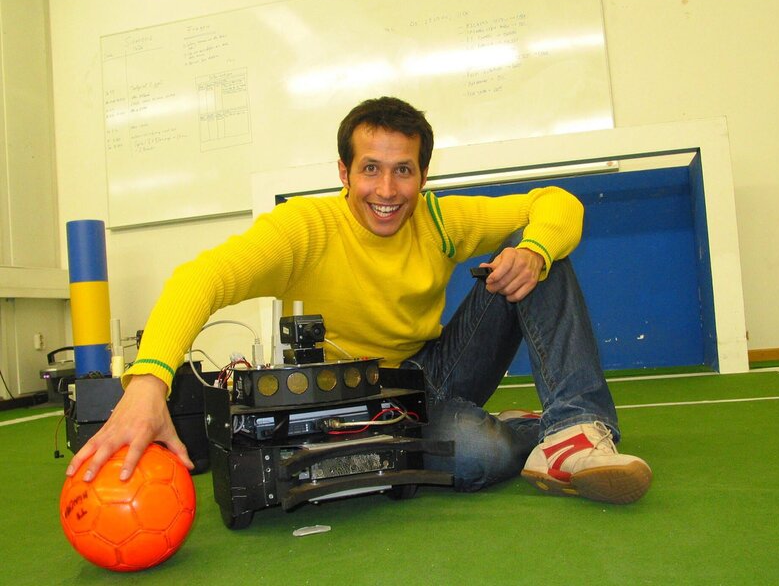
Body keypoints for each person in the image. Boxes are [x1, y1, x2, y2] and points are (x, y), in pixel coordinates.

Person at [67, 96, 652, 504]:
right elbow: (202, 279)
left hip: (436, 370)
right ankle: (529, 435)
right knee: (475, 457)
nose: (387, 191)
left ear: (424, 175)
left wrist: (535, 249)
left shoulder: (441, 216)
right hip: (360, 402)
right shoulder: (304, 228)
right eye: (371, 169)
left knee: (540, 256)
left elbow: (556, 200)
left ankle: (575, 433)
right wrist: (149, 383)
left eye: (404, 171)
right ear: (343, 171)